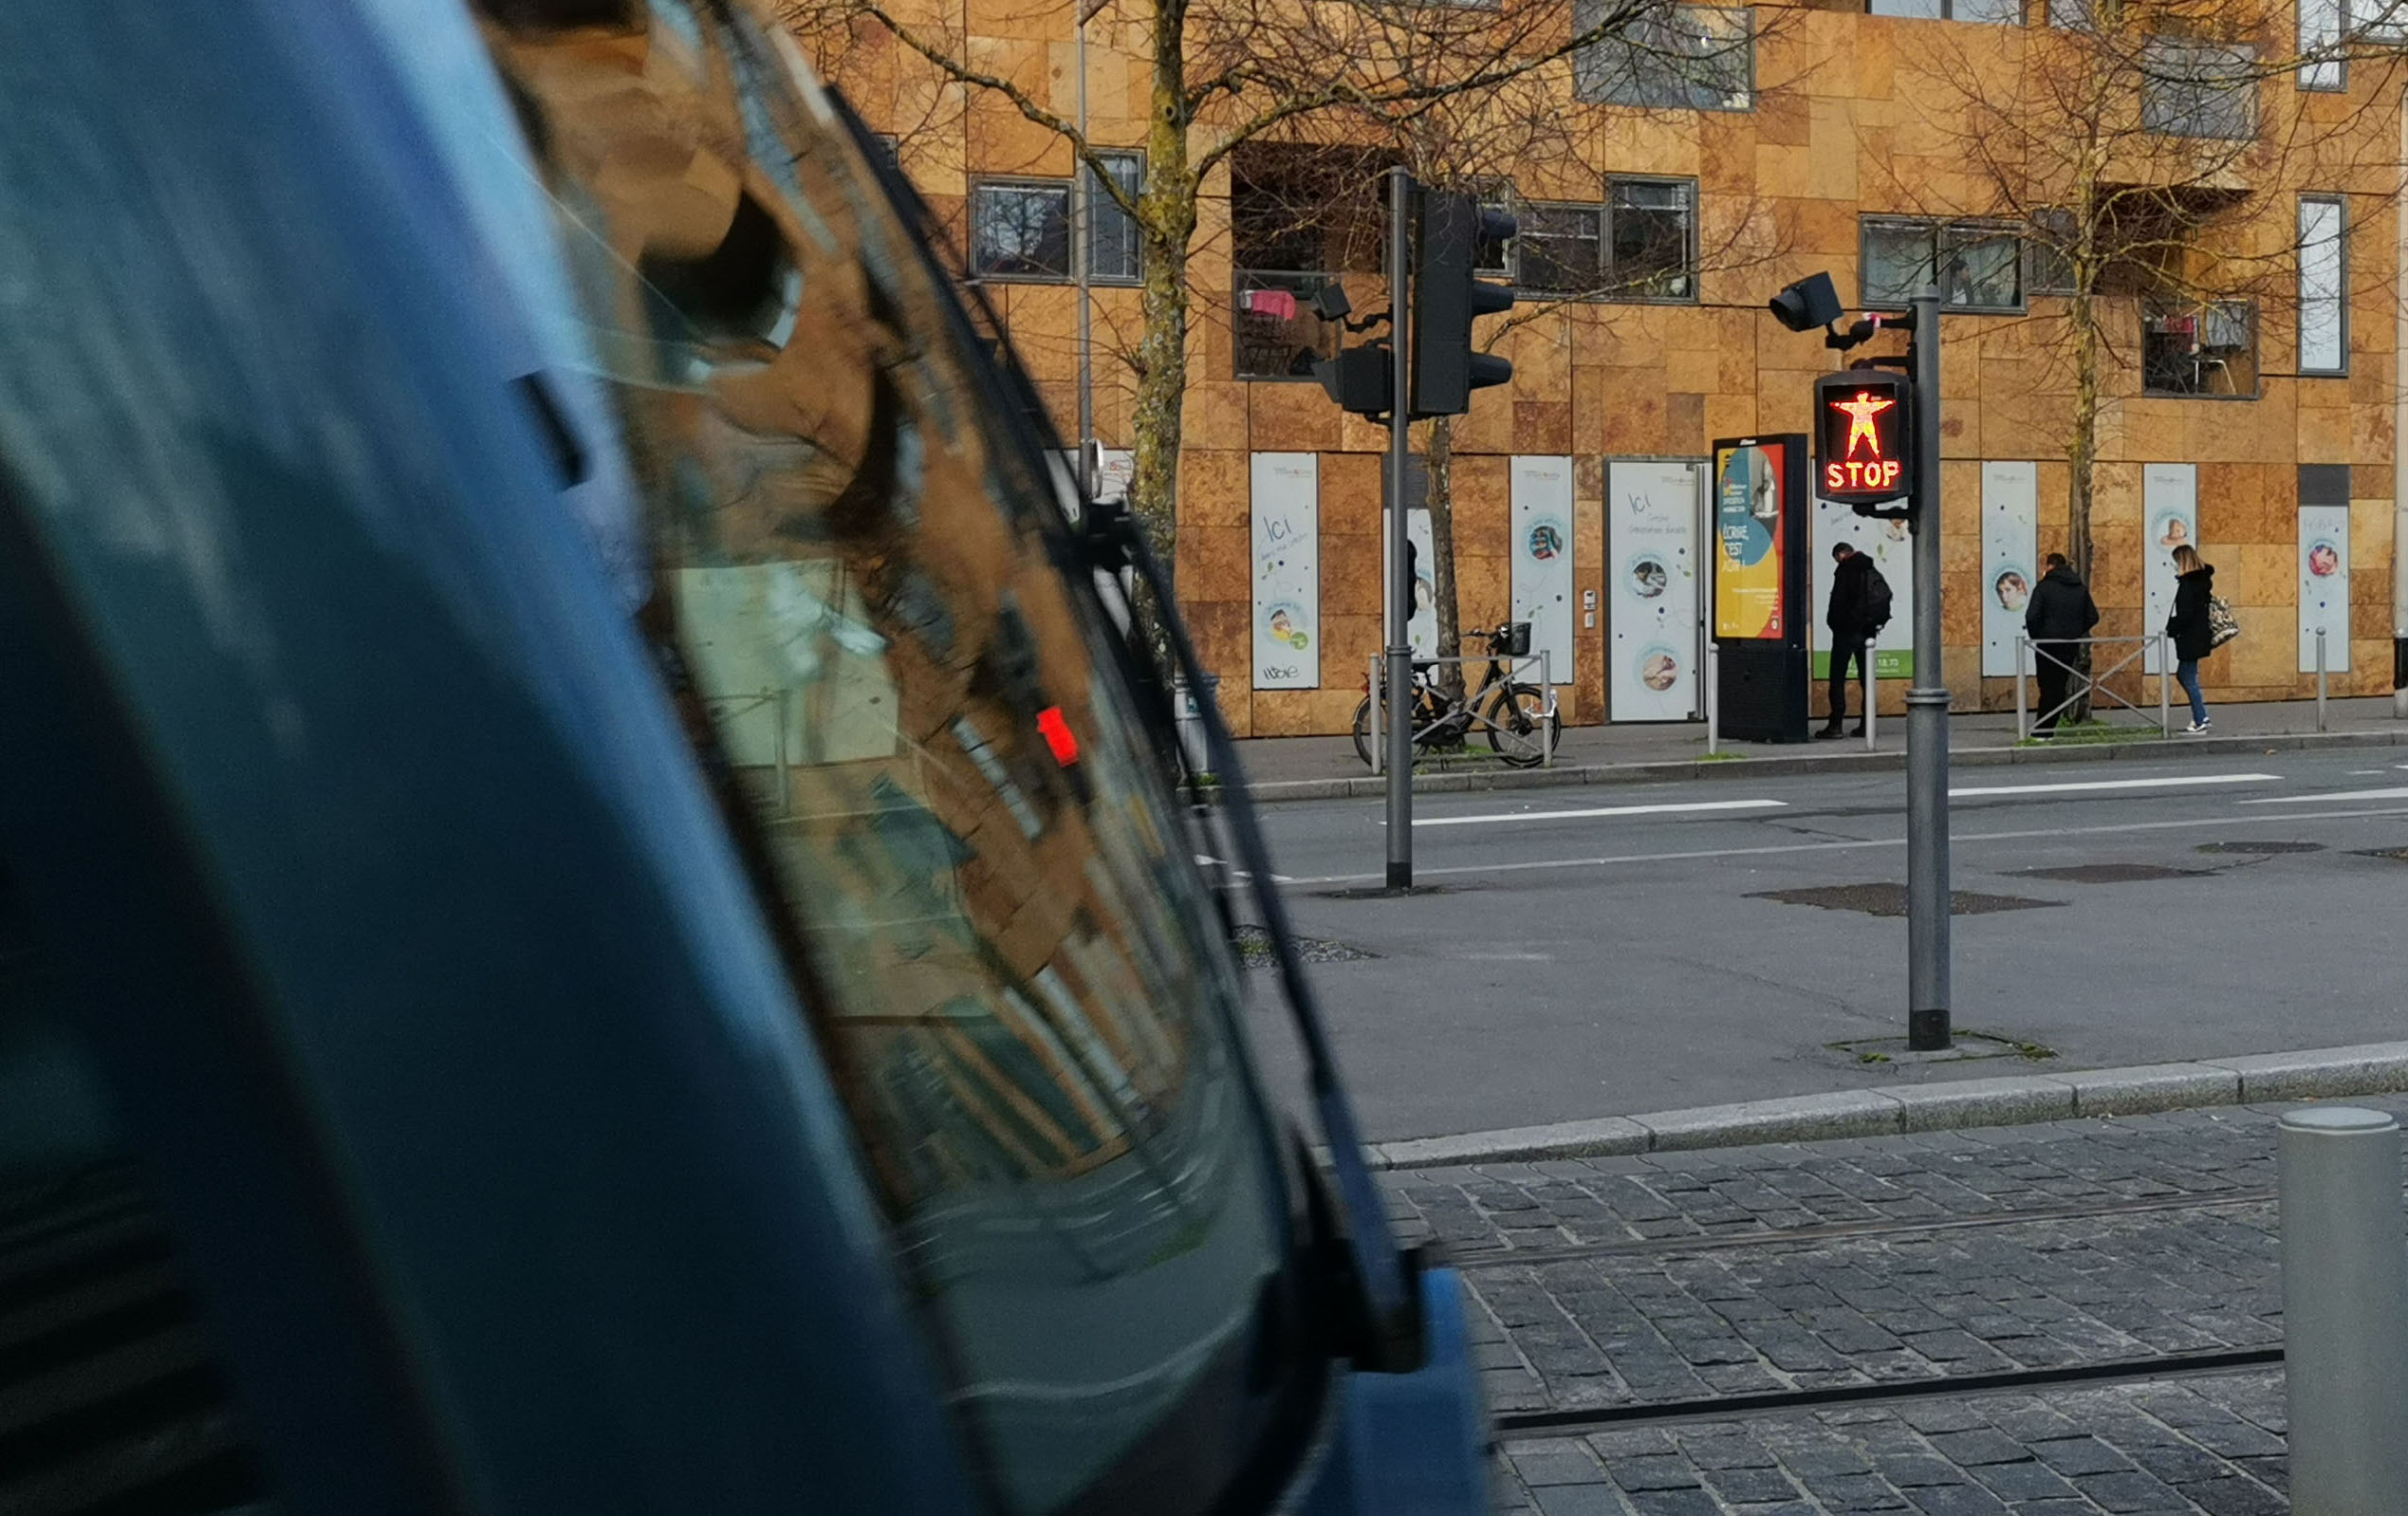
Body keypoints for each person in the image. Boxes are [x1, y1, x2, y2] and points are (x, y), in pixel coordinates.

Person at [2022, 552, 2100, 736]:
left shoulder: (2043, 587)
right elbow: (2093, 616)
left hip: (2047, 644)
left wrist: (2038, 636)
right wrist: (2075, 630)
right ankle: (2046, 729)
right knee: (2059, 686)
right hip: (2069, 644)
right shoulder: (2079, 587)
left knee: (2047, 687)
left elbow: (2031, 616)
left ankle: (2042, 731)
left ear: (2049, 566)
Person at [1819, 542, 1888, 738]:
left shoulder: (1845, 569)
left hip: (1846, 632)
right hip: (1867, 632)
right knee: (1866, 679)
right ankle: (1867, 724)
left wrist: (1834, 623)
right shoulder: (1870, 568)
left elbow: (1839, 601)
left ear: (1840, 555)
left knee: (1837, 677)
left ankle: (1835, 725)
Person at [2166, 544, 2217, 732]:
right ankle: (2200, 717)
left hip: (2190, 637)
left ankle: (2201, 718)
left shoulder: (2188, 585)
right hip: (2198, 635)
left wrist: (2171, 627)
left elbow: (2186, 614)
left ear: (2183, 561)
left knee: (2187, 676)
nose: (2174, 566)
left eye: (2176, 562)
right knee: (2186, 675)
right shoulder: (2201, 583)